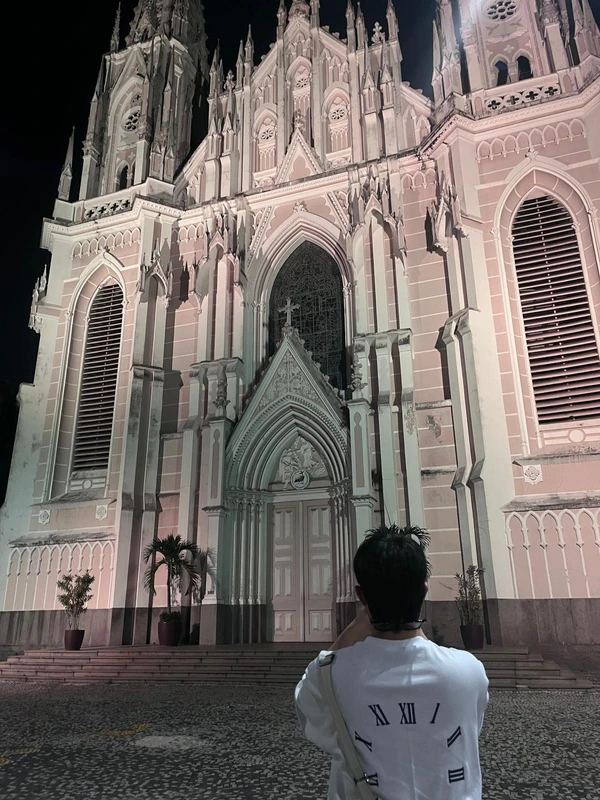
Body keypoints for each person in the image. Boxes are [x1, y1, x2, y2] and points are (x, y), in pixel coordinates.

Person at [295, 524, 489, 800]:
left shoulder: (329, 676)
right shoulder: (468, 672)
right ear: (424, 590)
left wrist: (355, 626)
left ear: (361, 596)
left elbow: (309, 707)